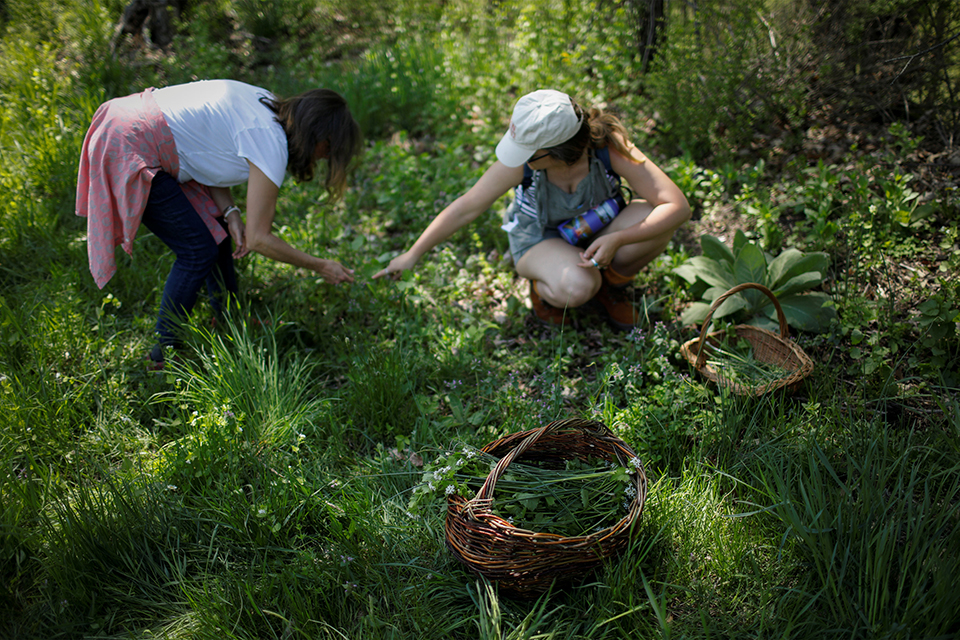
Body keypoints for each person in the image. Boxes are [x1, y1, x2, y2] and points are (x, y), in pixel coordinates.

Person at [76, 79, 362, 366]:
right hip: (130, 143)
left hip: (128, 121)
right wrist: (321, 265)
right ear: (316, 136)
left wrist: (230, 211)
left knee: (219, 231)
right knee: (197, 251)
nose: (324, 157)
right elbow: (259, 239)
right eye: (328, 149)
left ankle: (227, 317)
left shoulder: (264, 104)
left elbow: (210, 150)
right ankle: (164, 354)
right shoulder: (271, 142)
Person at [373, 89, 690, 330]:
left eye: (529, 152)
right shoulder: (524, 164)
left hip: (598, 228)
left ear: (560, 151)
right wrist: (412, 254)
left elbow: (677, 206)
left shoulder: (607, 147)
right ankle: (548, 287)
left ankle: (612, 287)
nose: (521, 158)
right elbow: (466, 207)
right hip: (540, 239)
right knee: (579, 286)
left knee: (654, 218)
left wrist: (618, 239)